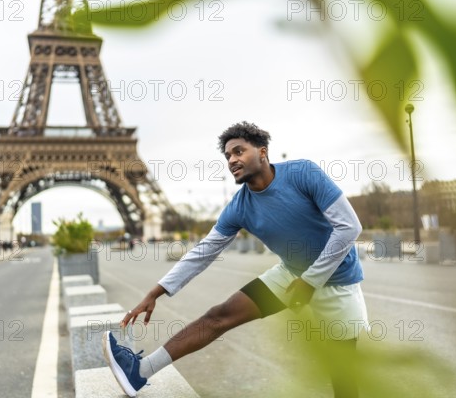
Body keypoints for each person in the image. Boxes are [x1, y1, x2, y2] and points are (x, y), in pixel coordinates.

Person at [102, 121, 369, 398]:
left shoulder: (303, 173)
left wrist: (311, 281)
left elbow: (349, 227)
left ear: (262, 152)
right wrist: (156, 292)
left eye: (239, 151)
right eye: (228, 156)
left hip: (339, 281)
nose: (232, 160)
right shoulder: (239, 207)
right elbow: (203, 252)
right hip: (292, 275)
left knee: (343, 379)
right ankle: (140, 371)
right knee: (218, 317)